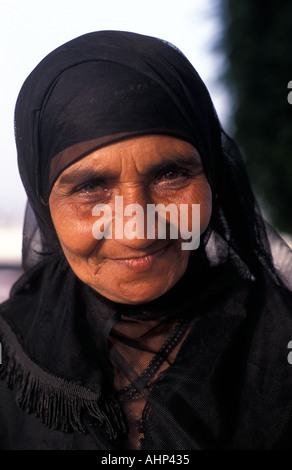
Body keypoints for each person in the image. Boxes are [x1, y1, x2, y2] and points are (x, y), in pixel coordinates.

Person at [0, 30, 291, 451]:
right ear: (45, 204)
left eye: (170, 174)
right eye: (90, 188)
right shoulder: (12, 355)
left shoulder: (278, 344)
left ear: (212, 177)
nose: (138, 232)